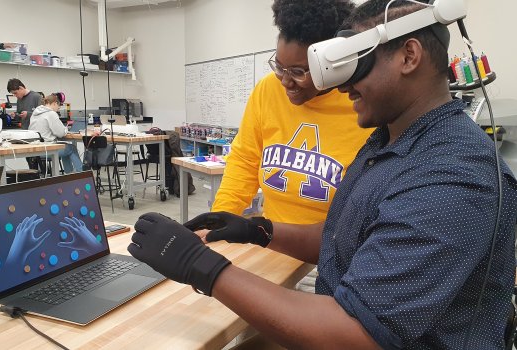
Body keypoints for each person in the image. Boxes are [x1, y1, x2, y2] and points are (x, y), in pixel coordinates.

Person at [128, 1, 517, 349]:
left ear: (409, 56)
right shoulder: (391, 139)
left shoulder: (452, 176)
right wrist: (260, 230)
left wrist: (198, 264)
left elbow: (354, 334)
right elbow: (345, 236)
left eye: (356, 64)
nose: (343, 84)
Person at [212, 0, 373, 225]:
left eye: (299, 72)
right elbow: (245, 161)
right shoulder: (267, 90)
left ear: (333, 62)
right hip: (271, 242)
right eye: (279, 67)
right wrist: (218, 219)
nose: (286, 82)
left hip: (329, 252)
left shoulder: (364, 106)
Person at [29, 94, 83, 174]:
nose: (58, 109)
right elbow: (61, 133)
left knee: (66, 148)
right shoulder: (51, 113)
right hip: (47, 150)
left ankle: (69, 176)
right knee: (71, 148)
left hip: (35, 150)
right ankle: (82, 174)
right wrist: (66, 129)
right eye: (59, 106)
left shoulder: (35, 113)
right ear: (54, 103)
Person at [7, 78, 44, 170]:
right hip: (24, 133)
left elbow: (43, 114)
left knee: (38, 160)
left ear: (21, 88)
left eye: (15, 93)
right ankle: (34, 179)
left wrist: (29, 114)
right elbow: (20, 114)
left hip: (36, 134)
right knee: (30, 161)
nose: (15, 96)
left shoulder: (37, 97)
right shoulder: (19, 99)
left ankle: (43, 177)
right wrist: (15, 115)